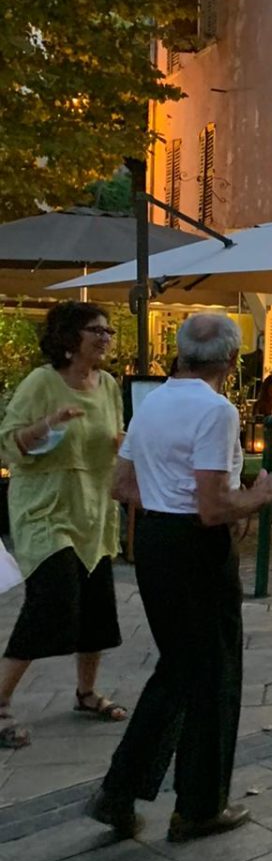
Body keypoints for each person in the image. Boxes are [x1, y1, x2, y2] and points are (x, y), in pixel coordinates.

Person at [87, 314, 272, 841]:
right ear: (232, 360)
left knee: (179, 667)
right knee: (213, 673)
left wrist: (164, 499)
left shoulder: (153, 403)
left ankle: (121, 791)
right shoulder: (216, 411)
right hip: (195, 549)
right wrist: (262, 495)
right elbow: (212, 507)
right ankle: (197, 805)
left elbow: (120, 484)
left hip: (155, 540)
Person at [0, 303, 127, 749]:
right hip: (46, 507)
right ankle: (0, 701)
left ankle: (86, 694)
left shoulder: (109, 385)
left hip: (93, 508)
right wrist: (48, 424)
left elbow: (113, 438)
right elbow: (8, 442)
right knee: (52, 601)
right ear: (70, 337)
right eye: (96, 330)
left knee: (96, 604)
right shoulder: (42, 382)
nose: (106, 337)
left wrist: (126, 444)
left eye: (108, 331)